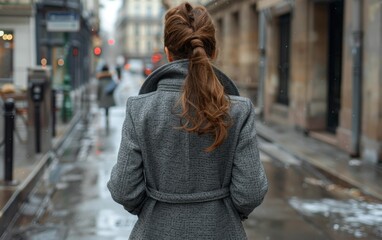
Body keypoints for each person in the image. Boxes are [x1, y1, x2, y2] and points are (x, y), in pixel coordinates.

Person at [107, 2, 268, 239]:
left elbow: (123, 189)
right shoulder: (237, 110)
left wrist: (156, 208)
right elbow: (251, 192)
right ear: (213, 52)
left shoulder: (140, 110)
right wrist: (222, 212)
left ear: (167, 52)